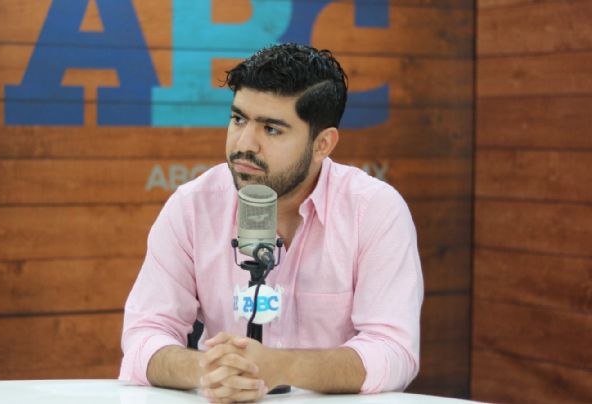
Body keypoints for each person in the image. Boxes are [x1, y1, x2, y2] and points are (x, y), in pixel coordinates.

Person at [120, 43, 423, 402]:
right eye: (239, 119)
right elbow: (144, 335)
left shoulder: (372, 210)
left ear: (322, 144)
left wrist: (283, 367)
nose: (244, 144)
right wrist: (210, 369)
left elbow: (393, 351)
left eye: (272, 129)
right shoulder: (193, 206)